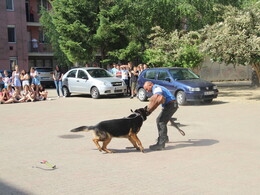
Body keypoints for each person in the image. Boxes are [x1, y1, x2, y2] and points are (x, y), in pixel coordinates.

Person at [143, 81, 178, 150]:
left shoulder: (156, 88)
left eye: (147, 89)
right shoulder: (158, 87)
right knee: (162, 121)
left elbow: (158, 96)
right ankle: (164, 138)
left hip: (171, 105)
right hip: (171, 105)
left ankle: (161, 144)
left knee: (160, 121)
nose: (147, 91)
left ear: (151, 85)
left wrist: (149, 109)